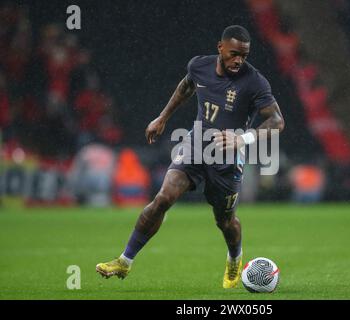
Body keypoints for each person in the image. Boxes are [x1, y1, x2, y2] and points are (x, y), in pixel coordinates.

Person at [96, 25, 285, 288]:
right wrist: (163, 117)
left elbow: (277, 121)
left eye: (244, 55)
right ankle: (124, 261)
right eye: (233, 54)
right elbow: (186, 87)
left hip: (227, 160)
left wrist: (242, 139)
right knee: (163, 198)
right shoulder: (199, 66)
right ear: (220, 48)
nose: (238, 60)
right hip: (196, 146)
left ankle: (234, 257)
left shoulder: (254, 82)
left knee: (225, 221)